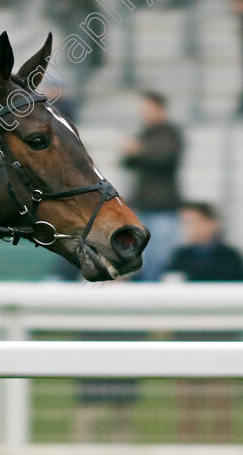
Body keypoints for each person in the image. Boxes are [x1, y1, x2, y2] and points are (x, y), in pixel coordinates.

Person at [165, 202, 243, 442]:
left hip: (219, 335)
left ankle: (222, 445)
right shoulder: (180, 255)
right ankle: (187, 444)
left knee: (220, 397)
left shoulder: (229, 257)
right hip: (186, 334)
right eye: (186, 223)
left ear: (212, 223)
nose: (189, 228)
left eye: (194, 222)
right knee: (187, 399)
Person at [120, 91, 183, 282]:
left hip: (164, 207)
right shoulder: (144, 133)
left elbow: (166, 159)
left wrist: (139, 151)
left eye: (147, 109)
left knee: (159, 259)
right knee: (141, 258)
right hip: (143, 204)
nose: (144, 114)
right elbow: (127, 162)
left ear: (160, 109)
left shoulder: (171, 133)